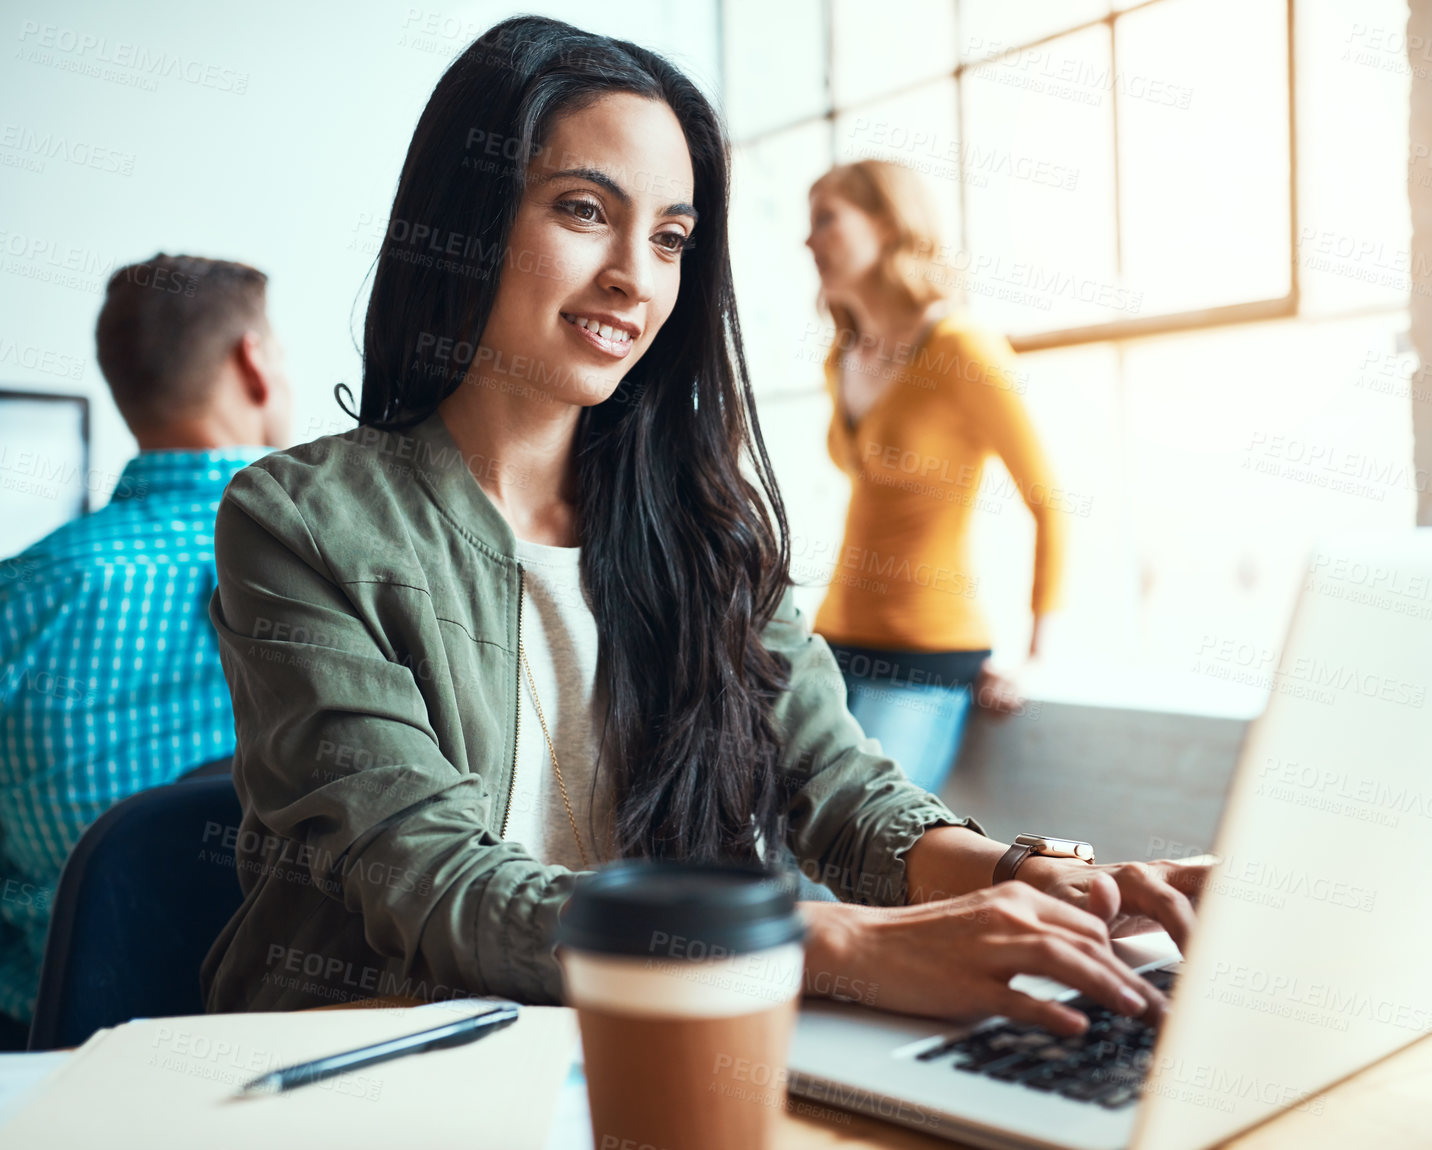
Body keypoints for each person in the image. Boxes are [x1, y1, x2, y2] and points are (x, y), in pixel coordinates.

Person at [202, 17, 1205, 1037]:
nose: (636, 277)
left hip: (657, 1055)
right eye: (585, 210)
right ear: (468, 214)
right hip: (384, 1069)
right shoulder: (299, 522)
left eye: (671, 238)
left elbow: (830, 780)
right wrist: (837, 945)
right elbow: (427, 878)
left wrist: (1043, 877)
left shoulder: (700, 523)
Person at [0, 254, 293, 1047]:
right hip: (312, 1032)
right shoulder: (336, 564)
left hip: (62, 1052)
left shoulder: (21, 593)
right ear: (254, 362)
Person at [805, 160, 1065, 796]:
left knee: (858, 851)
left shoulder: (960, 347)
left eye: (826, 219)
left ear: (889, 225)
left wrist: (1033, 657)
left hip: (925, 659)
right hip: (830, 644)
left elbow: (1049, 503)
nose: (808, 241)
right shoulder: (841, 356)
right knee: (780, 855)